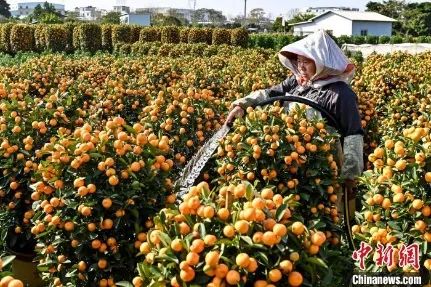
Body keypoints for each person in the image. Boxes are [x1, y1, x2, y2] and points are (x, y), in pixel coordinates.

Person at [226, 30, 364, 208]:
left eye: (306, 61)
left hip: (320, 167)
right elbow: (270, 93)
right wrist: (242, 105)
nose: (300, 67)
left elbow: (353, 135)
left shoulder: (340, 94)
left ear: (322, 62)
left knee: (321, 210)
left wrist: (350, 176)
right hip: (288, 160)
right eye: (298, 61)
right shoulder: (297, 82)